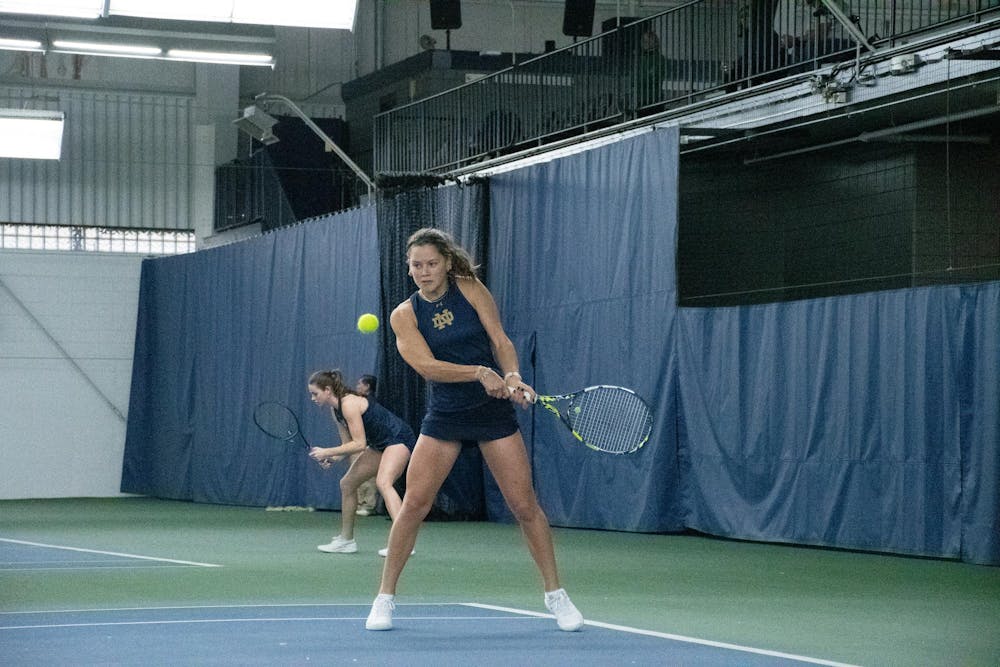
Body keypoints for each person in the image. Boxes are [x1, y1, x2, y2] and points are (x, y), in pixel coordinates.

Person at [364, 227, 584, 633]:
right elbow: (426, 366)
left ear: (447, 263)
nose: (424, 272)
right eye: (417, 265)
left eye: (431, 264)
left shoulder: (469, 288)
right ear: (408, 268)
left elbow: (499, 339)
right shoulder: (404, 315)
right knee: (413, 506)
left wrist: (512, 374)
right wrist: (479, 372)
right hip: (445, 416)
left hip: (492, 414)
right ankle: (384, 599)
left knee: (524, 506)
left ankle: (557, 596)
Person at [306, 369, 415, 555]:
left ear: (327, 390)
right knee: (347, 484)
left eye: (315, 393)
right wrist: (331, 457)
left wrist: (327, 450)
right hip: (379, 444)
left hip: (398, 438)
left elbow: (359, 444)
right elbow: (347, 445)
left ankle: (402, 544)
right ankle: (346, 541)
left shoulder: (348, 404)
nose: (313, 398)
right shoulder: (336, 410)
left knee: (384, 482)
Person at [352, 374, 380, 517]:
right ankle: (359, 504)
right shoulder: (358, 402)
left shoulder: (370, 404)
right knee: (355, 475)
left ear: (368, 386)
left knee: (368, 477)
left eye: (360, 384)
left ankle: (369, 505)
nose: (357, 386)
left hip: (369, 444)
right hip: (357, 444)